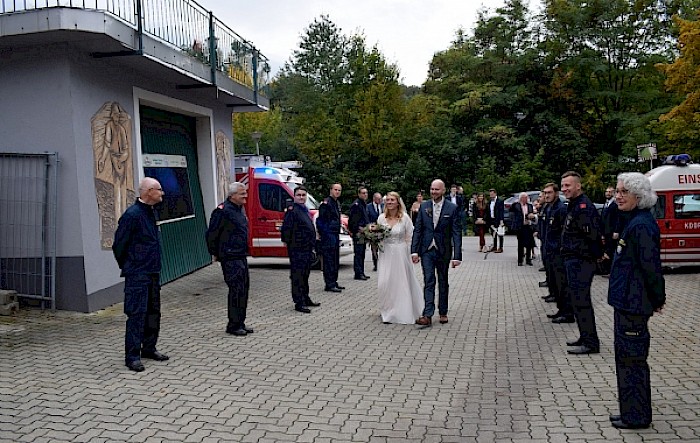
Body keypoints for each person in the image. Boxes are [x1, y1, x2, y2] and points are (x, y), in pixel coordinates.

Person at [607, 172, 665, 430]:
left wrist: (657, 298)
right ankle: (629, 412)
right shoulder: (633, 220)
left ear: (638, 197)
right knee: (625, 359)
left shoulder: (641, 225)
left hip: (634, 303)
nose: (618, 196)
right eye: (617, 191)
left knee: (632, 361)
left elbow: (651, 267)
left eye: (623, 192)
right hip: (626, 301)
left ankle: (637, 416)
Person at [112, 177, 169, 372]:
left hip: (152, 272)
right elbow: (119, 245)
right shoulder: (132, 215)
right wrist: (132, 264)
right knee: (137, 314)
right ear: (148, 192)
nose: (162, 193)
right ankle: (132, 356)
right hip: (137, 274)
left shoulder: (151, 212)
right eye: (159, 190)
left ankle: (149, 347)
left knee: (153, 312)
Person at [560, 171, 603, 355]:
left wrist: (594, 257)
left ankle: (591, 342)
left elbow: (592, 236)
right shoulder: (574, 205)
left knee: (582, 301)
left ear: (578, 185)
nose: (564, 189)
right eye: (563, 186)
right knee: (577, 301)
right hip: (573, 260)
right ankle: (584, 336)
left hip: (581, 261)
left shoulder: (583, 207)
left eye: (568, 186)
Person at [411, 179, 463, 327]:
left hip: (443, 250)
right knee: (428, 280)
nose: (434, 192)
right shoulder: (424, 207)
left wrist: (457, 256)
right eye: (432, 189)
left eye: (437, 189)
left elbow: (456, 232)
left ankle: (443, 311)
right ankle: (427, 314)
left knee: (443, 281)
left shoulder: (452, 208)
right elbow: (418, 229)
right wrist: (414, 251)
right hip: (427, 250)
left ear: (443, 190)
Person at [205, 182, 254, 336]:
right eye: (242, 194)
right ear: (232, 195)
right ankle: (233, 325)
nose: (245, 196)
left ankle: (241, 321)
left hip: (240, 255)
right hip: (230, 257)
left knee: (244, 289)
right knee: (236, 290)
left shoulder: (239, 210)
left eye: (245, 193)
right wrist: (216, 254)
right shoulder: (222, 211)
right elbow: (211, 234)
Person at [376, 192, 424, 324]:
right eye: (388, 200)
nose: (390, 202)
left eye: (392, 200)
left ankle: (402, 310)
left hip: (401, 252)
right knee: (385, 282)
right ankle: (388, 309)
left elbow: (411, 235)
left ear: (398, 202)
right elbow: (378, 235)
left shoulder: (404, 218)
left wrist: (412, 252)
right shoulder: (381, 218)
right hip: (385, 253)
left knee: (400, 282)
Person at [280, 186, 321, 314]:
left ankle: (306, 297)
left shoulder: (305, 209)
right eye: (299, 195)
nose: (301, 197)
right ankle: (299, 302)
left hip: (307, 249)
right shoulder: (292, 211)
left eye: (303, 195)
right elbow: (286, 230)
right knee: (298, 276)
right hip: (297, 249)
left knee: (305, 275)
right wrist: (290, 245)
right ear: (294, 196)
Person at [541, 183, 573, 323]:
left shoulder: (560, 209)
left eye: (549, 192)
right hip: (550, 250)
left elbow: (563, 232)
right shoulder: (549, 207)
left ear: (556, 193)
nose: (547, 195)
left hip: (558, 252)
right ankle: (561, 309)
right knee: (555, 283)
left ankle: (567, 313)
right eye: (545, 193)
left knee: (562, 284)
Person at [317, 183, 344, 292]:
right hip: (328, 235)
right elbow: (320, 221)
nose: (337, 192)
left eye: (339, 190)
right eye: (335, 189)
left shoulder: (336, 202)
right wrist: (325, 234)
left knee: (335, 260)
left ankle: (334, 281)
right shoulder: (326, 203)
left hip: (335, 234)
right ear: (331, 190)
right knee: (328, 260)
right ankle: (329, 284)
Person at [348, 186, 371, 280]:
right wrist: (358, 229)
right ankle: (358, 273)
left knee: (362, 253)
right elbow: (353, 221)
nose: (365, 194)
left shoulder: (363, 204)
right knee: (358, 253)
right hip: (358, 233)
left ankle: (361, 271)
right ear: (359, 194)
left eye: (366, 193)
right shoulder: (356, 205)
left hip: (363, 232)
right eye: (363, 193)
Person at [509, 192, 535, 266]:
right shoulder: (516, 205)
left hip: (528, 226)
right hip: (520, 226)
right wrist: (514, 203)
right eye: (523, 198)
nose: (525, 199)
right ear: (520, 198)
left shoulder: (530, 206)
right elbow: (510, 210)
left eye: (526, 198)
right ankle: (520, 260)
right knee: (520, 244)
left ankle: (528, 259)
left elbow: (532, 214)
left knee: (529, 244)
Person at [600, 186, 620, 276]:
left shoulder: (615, 205)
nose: (607, 193)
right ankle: (608, 270)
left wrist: (616, 230)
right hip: (606, 232)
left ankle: (612, 271)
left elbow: (617, 218)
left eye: (609, 192)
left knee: (611, 251)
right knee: (607, 251)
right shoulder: (606, 204)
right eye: (606, 191)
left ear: (613, 193)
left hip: (612, 232)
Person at [367, 192, 384, 271]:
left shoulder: (383, 206)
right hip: (373, 230)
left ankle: (382, 263)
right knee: (374, 248)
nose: (380, 200)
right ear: (374, 198)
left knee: (382, 247)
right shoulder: (369, 207)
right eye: (378, 199)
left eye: (380, 199)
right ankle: (376, 264)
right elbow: (367, 218)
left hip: (382, 230)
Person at [485, 188, 505, 252]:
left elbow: (501, 211)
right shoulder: (489, 202)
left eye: (492, 194)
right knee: (493, 234)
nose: (491, 195)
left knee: (500, 234)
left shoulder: (500, 201)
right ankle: (495, 246)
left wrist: (501, 220)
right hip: (491, 219)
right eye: (490, 194)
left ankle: (501, 247)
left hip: (498, 219)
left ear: (495, 194)